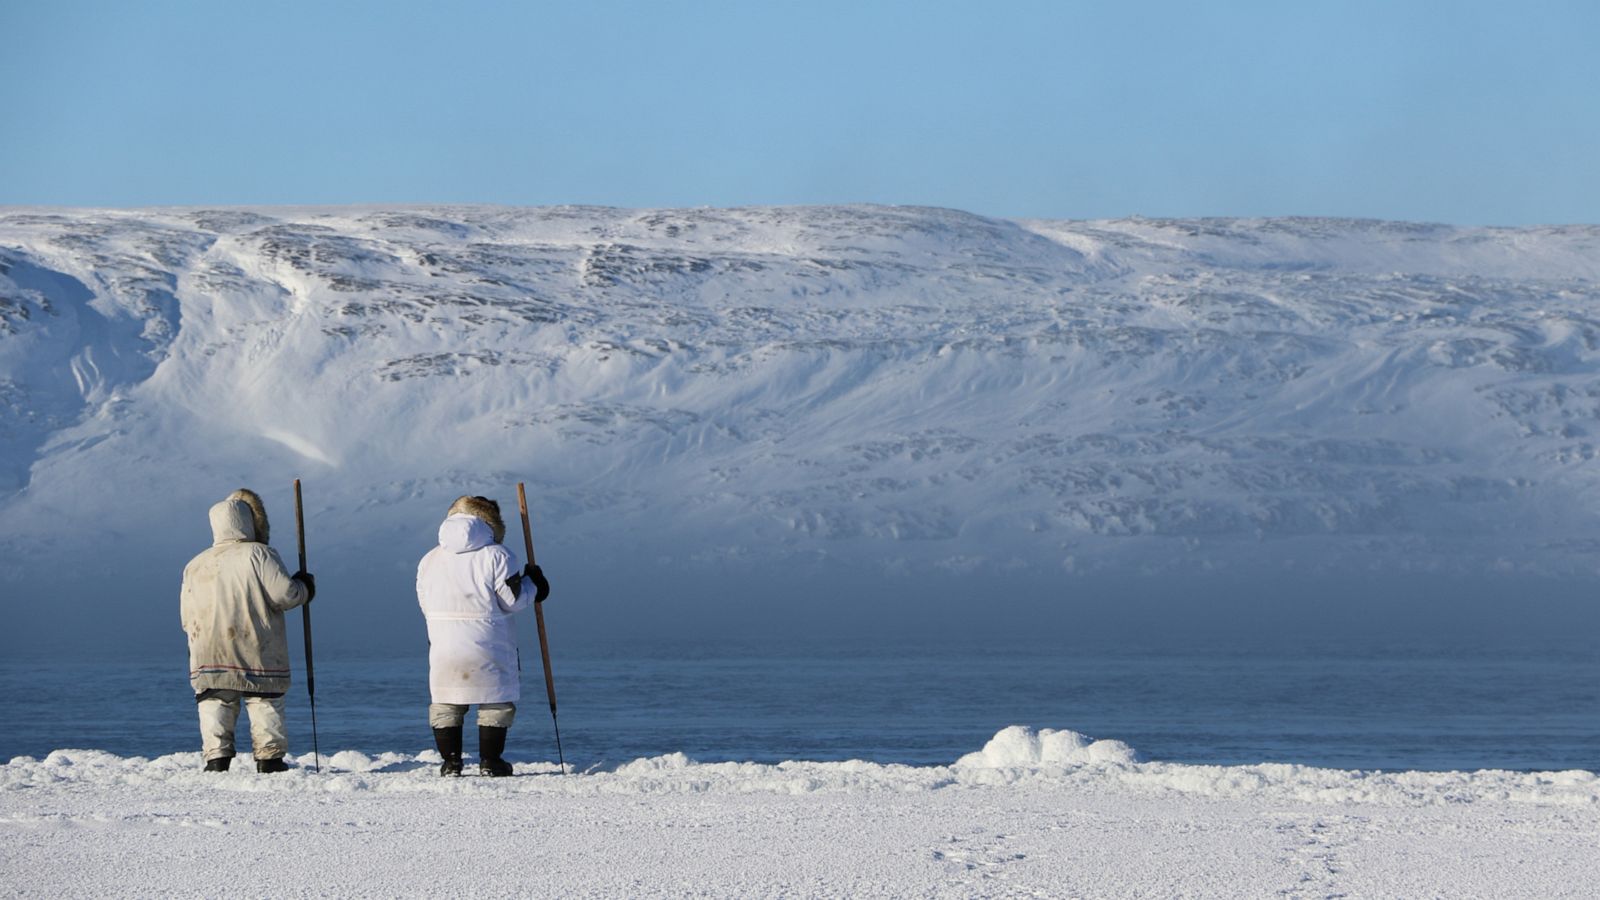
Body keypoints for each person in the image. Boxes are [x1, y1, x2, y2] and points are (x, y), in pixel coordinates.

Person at [179, 488, 316, 773]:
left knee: (215, 703)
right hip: (256, 646)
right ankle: (269, 761)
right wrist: (305, 587)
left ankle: (216, 761)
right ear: (250, 520)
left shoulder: (195, 564)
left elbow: (186, 616)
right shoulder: (259, 553)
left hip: (208, 650)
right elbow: (285, 595)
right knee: (264, 702)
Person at [416, 495, 550, 776]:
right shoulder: (498, 555)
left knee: (447, 700)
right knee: (495, 698)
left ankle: (451, 762)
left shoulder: (429, 559)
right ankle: (491, 761)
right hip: (488, 641)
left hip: (443, 643)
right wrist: (534, 585)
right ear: (491, 522)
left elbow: (424, 602)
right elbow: (512, 600)